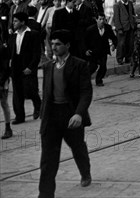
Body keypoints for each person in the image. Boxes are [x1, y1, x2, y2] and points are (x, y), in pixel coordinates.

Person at [38, 30, 93, 197]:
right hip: (51, 117)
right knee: (48, 160)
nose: (54, 47)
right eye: (52, 44)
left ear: (67, 45)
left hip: (71, 115)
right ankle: (46, 194)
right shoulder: (48, 67)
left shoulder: (79, 65)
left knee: (78, 148)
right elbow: (47, 93)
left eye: (58, 44)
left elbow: (86, 92)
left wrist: (78, 114)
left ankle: (85, 172)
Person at [9, 12, 42, 125]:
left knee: (30, 90)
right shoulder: (13, 35)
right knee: (17, 92)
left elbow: (36, 53)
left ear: (23, 22)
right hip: (16, 67)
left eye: (16, 21)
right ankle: (19, 116)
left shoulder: (33, 34)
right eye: (13, 21)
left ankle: (38, 106)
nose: (13, 23)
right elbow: (11, 53)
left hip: (28, 65)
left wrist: (31, 67)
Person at [85, 14, 118, 87]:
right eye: (100, 19)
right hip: (93, 52)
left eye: (103, 19)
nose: (102, 21)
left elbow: (114, 37)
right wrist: (86, 50)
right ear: (96, 20)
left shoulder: (108, 28)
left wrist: (113, 45)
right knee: (92, 67)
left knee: (103, 67)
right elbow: (85, 41)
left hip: (103, 51)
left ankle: (99, 80)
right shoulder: (90, 29)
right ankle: (84, 79)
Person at [113, 0, 137, 65]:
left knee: (130, 43)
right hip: (122, 27)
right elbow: (116, 17)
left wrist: (133, 23)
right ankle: (119, 58)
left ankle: (128, 57)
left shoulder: (130, 3)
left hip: (130, 26)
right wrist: (119, 28)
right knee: (121, 44)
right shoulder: (117, 5)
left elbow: (132, 14)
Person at [0, 22, 12, 139]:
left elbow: (5, 68)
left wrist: (1, 81)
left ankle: (8, 128)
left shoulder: (3, 48)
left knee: (4, 103)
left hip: (1, 80)